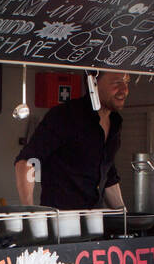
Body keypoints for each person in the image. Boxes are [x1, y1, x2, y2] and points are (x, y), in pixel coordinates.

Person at [14, 71, 129, 209]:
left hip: (94, 221)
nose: (125, 90)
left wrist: (124, 218)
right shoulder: (65, 116)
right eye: (117, 83)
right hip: (61, 222)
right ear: (93, 83)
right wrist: (30, 213)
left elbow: (108, 175)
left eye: (127, 82)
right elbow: (28, 162)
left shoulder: (115, 122)